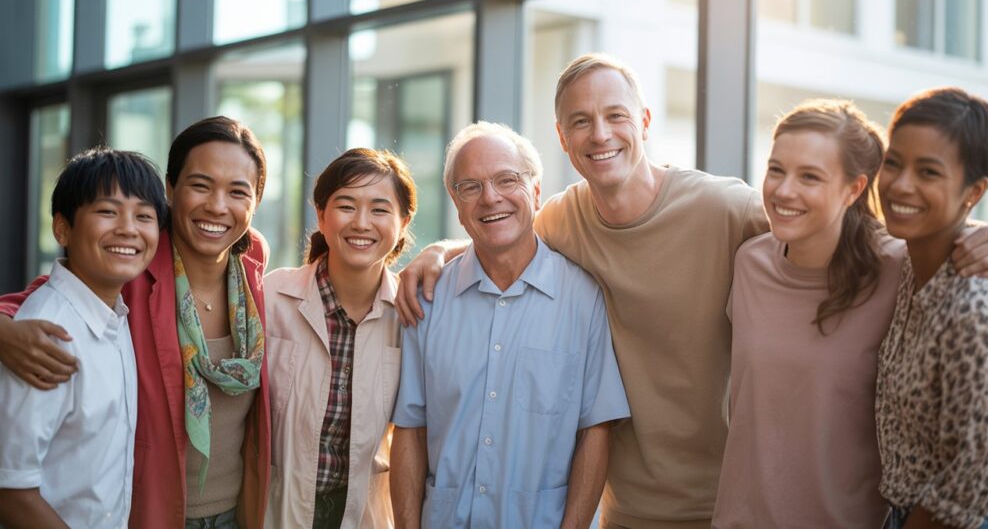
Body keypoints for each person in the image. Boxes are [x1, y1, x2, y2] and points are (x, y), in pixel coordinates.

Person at [396, 54, 988, 528]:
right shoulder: (565, 219)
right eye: (580, 122)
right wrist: (440, 251)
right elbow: (502, 225)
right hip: (635, 508)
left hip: (731, 498)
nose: (600, 134)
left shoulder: (729, 212)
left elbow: (843, 229)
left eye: (616, 116)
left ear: (643, 121)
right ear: (562, 139)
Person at [0, 116, 272, 528]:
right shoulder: (131, 260)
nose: (218, 206)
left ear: (256, 201)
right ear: (170, 189)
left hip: (237, 511)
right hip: (153, 512)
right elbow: (50, 295)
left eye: (238, 192)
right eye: (200, 185)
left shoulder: (250, 262)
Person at [389, 122, 630, 528]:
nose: (490, 197)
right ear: (456, 202)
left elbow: (595, 431)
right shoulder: (426, 299)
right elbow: (410, 430)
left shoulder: (584, 297)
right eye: (471, 186)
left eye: (507, 180)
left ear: (536, 191)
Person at [712, 100, 898, 527]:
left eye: (809, 177)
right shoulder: (750, 262)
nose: (783, 190)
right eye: (776, 169)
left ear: (854, 189)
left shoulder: (897, 268)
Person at [875, 88, 988, 529]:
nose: (901, 185)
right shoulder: (906, 257)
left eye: (928, 172)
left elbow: (975, 477)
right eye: (893, 162)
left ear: (974, 191)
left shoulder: (980, 304)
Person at [0, 148, 166, 528]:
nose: (128, 228)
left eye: (144, 216)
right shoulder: (48, 334)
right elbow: (11, 489)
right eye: (108, 212)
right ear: (62, 228)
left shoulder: (116, 314)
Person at [264, 148, 416, 528]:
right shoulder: (270, 298)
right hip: (274, 513)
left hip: (365, 517)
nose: (361, 223)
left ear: (403, 221)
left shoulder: (413, 315)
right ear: (321, 215)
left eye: (380, 209)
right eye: (346, 206)